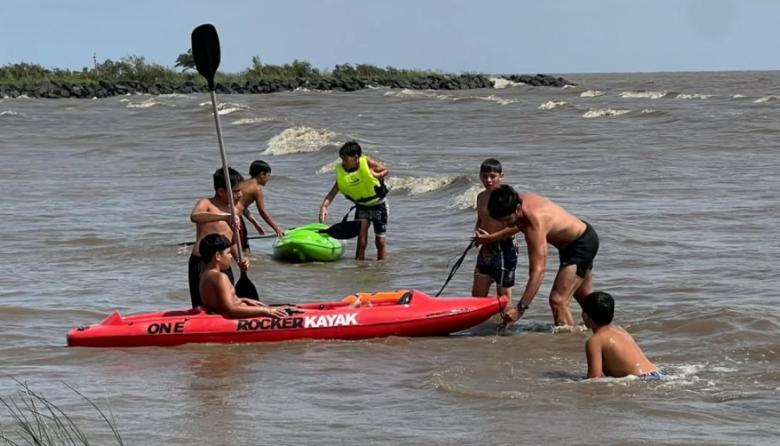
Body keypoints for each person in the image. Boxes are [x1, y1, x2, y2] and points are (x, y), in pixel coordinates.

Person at [481, 184, 599, 327]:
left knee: (558, 300)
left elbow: (538, 272)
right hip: (576, 241)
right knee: (587, 302)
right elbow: (517, 223)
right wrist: (491, 238)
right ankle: (603, 334)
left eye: (507, 220)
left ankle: (564, 346)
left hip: (581, 245)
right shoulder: (516, 202)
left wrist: (520, 309)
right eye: (501, 221)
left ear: (518, 208)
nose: (505, 224)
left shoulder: (534, 223)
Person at [188, 167, 249, 308]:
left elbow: (232, 240)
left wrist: (240, 258)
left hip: (224, 263)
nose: (240, 195)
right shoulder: (206, 203)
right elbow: (195, 216)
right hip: (202, 262)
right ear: (221, 191)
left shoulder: (234, 211)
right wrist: (224, 216)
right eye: (235, 192)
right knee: (200, 305)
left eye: (240, 190)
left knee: (229, 302)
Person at [319, 141, 389, 260]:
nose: (343, 162)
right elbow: (332, 193)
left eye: (345, 159)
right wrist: (324, 207)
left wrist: (376, 175)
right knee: (361, 241)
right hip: (362, 207)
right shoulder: (343, 172)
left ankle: (381, 269)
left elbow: (385, 170)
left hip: (379, 206)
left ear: (356, 157)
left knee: (380, 242)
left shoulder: (367, 162)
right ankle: (359, 269)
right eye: (342, 159)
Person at [199, 233, 291, 318]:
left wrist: (243, 300)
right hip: (232, 318)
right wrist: (265, 311)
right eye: (228, 253)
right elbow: (230, 309)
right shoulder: (220, 277)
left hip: (227, 312)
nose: (231, 256)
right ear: (218, 256)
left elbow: (219, 303)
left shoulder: (204, 274)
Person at [471, 159, 520, 303]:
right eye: (484, 176)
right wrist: (477, 235)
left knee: (503, 297)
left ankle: (506, 323)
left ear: (501, 176)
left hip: (505, 248)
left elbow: (518, 225)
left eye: (493, 176)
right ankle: (480, 325)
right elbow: (480, 220)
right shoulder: (481, 197)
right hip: (486, 248)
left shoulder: (508, 197)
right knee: (477, 296)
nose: (488, 180)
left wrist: (491, 238)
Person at [581, 291, 662, 379]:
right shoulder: (619, 329)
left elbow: (594, 378)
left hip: (641, 379)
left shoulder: (594, 341)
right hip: (658, 374)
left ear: (585, 316)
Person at [238, 160, 284, 251]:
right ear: (262, 174)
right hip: (236, 219)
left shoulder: (242, 184)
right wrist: (277, 229)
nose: (268, 178)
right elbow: (262, 211)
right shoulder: (256, 189)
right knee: (244, 250)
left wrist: (255, 224)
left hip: (229, 215)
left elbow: (242, 207)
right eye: (268, 175)